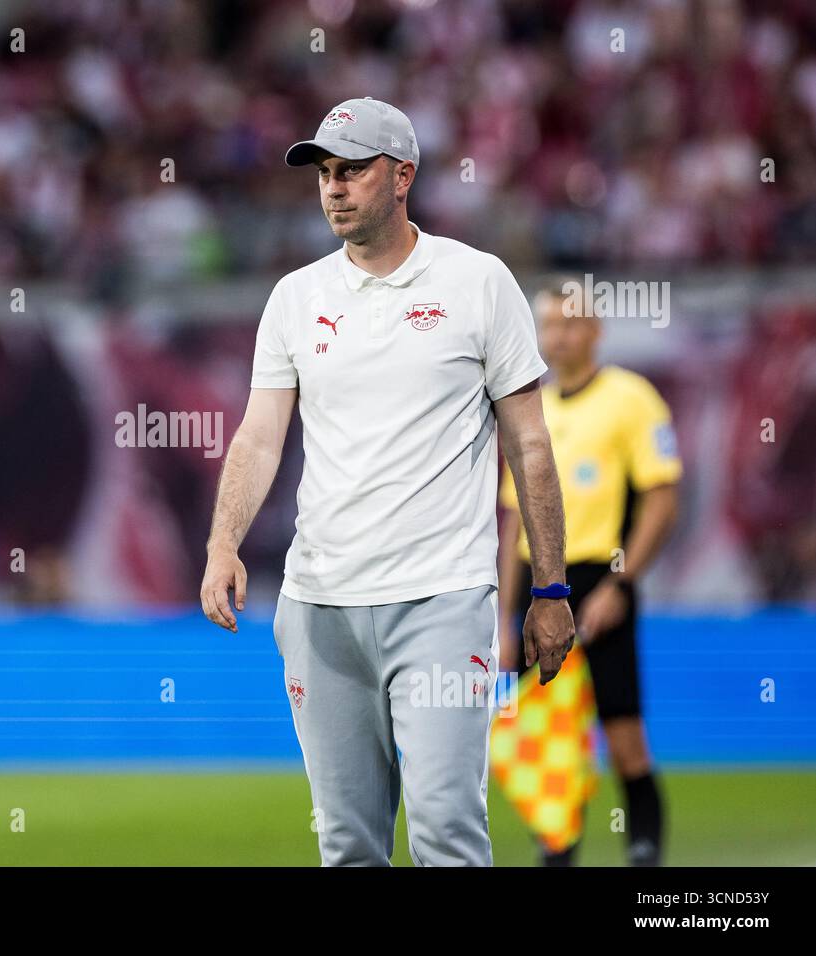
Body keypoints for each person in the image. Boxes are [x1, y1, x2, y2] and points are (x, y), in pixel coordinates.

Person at [199, 97, 574, 866]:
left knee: (445, 831)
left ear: (402, 176)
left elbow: (530, 444)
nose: (333, 188)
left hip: (441, 598)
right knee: (347, 845)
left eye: (352, 171)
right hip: (319, 607)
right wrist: (222, 544)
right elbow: (260, 435)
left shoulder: (478, 282)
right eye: (324, 173)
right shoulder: (295, 298)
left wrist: (551, 588)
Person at [498, 282, 682, 866]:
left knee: (624, 734)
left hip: (601, 576)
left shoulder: (632, 398)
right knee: (547, 737)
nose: (559, 335)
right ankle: (559, 852)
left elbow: (661, 497)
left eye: (571, 323)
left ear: (596, 330)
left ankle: (644, 851)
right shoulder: (530, 408)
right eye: (549, 324)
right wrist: (505, 614)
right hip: (536, 586)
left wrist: (621, 584)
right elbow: (512, 520)